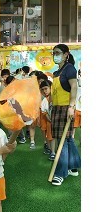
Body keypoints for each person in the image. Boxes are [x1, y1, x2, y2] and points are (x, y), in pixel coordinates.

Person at [49, 44, 81, 186]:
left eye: (57, 53)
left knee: (61, 141)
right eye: (53, 53)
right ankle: (73, 166)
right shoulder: (56, 72)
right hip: (57, 108)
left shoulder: (69, 69)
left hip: (66, 108)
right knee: (67, 138)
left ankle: (60, 173)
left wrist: (71, 106)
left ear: (66, 54)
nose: (55, 55)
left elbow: (74, 87)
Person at [39, 80, 54, 156]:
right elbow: (44, 113)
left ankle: (52, 150)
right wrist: (50, 119)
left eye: (46, 89)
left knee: (52, 136)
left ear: (51, 87)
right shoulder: (44, 100)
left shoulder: (54, 97)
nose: (44, 91)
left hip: (52, 120)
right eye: (42, 89)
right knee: (48, 135)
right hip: (48, 120)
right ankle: (51, 150)